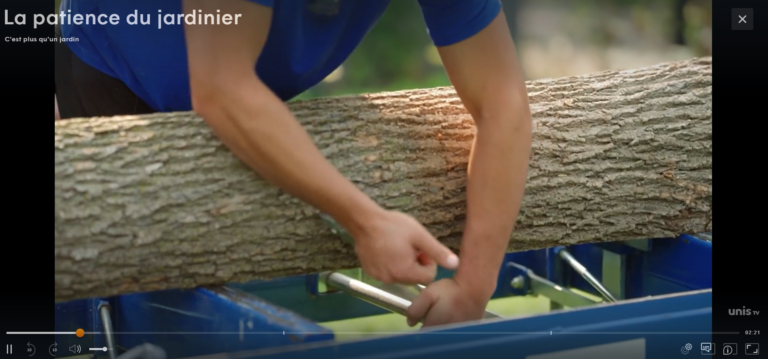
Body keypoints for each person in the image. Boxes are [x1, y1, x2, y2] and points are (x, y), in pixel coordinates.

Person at [55, 0, 532, 327]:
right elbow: (221, 88)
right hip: (110, 73)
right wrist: (366, 221)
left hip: (241, 95)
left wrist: (472, 286)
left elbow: (503, 101)